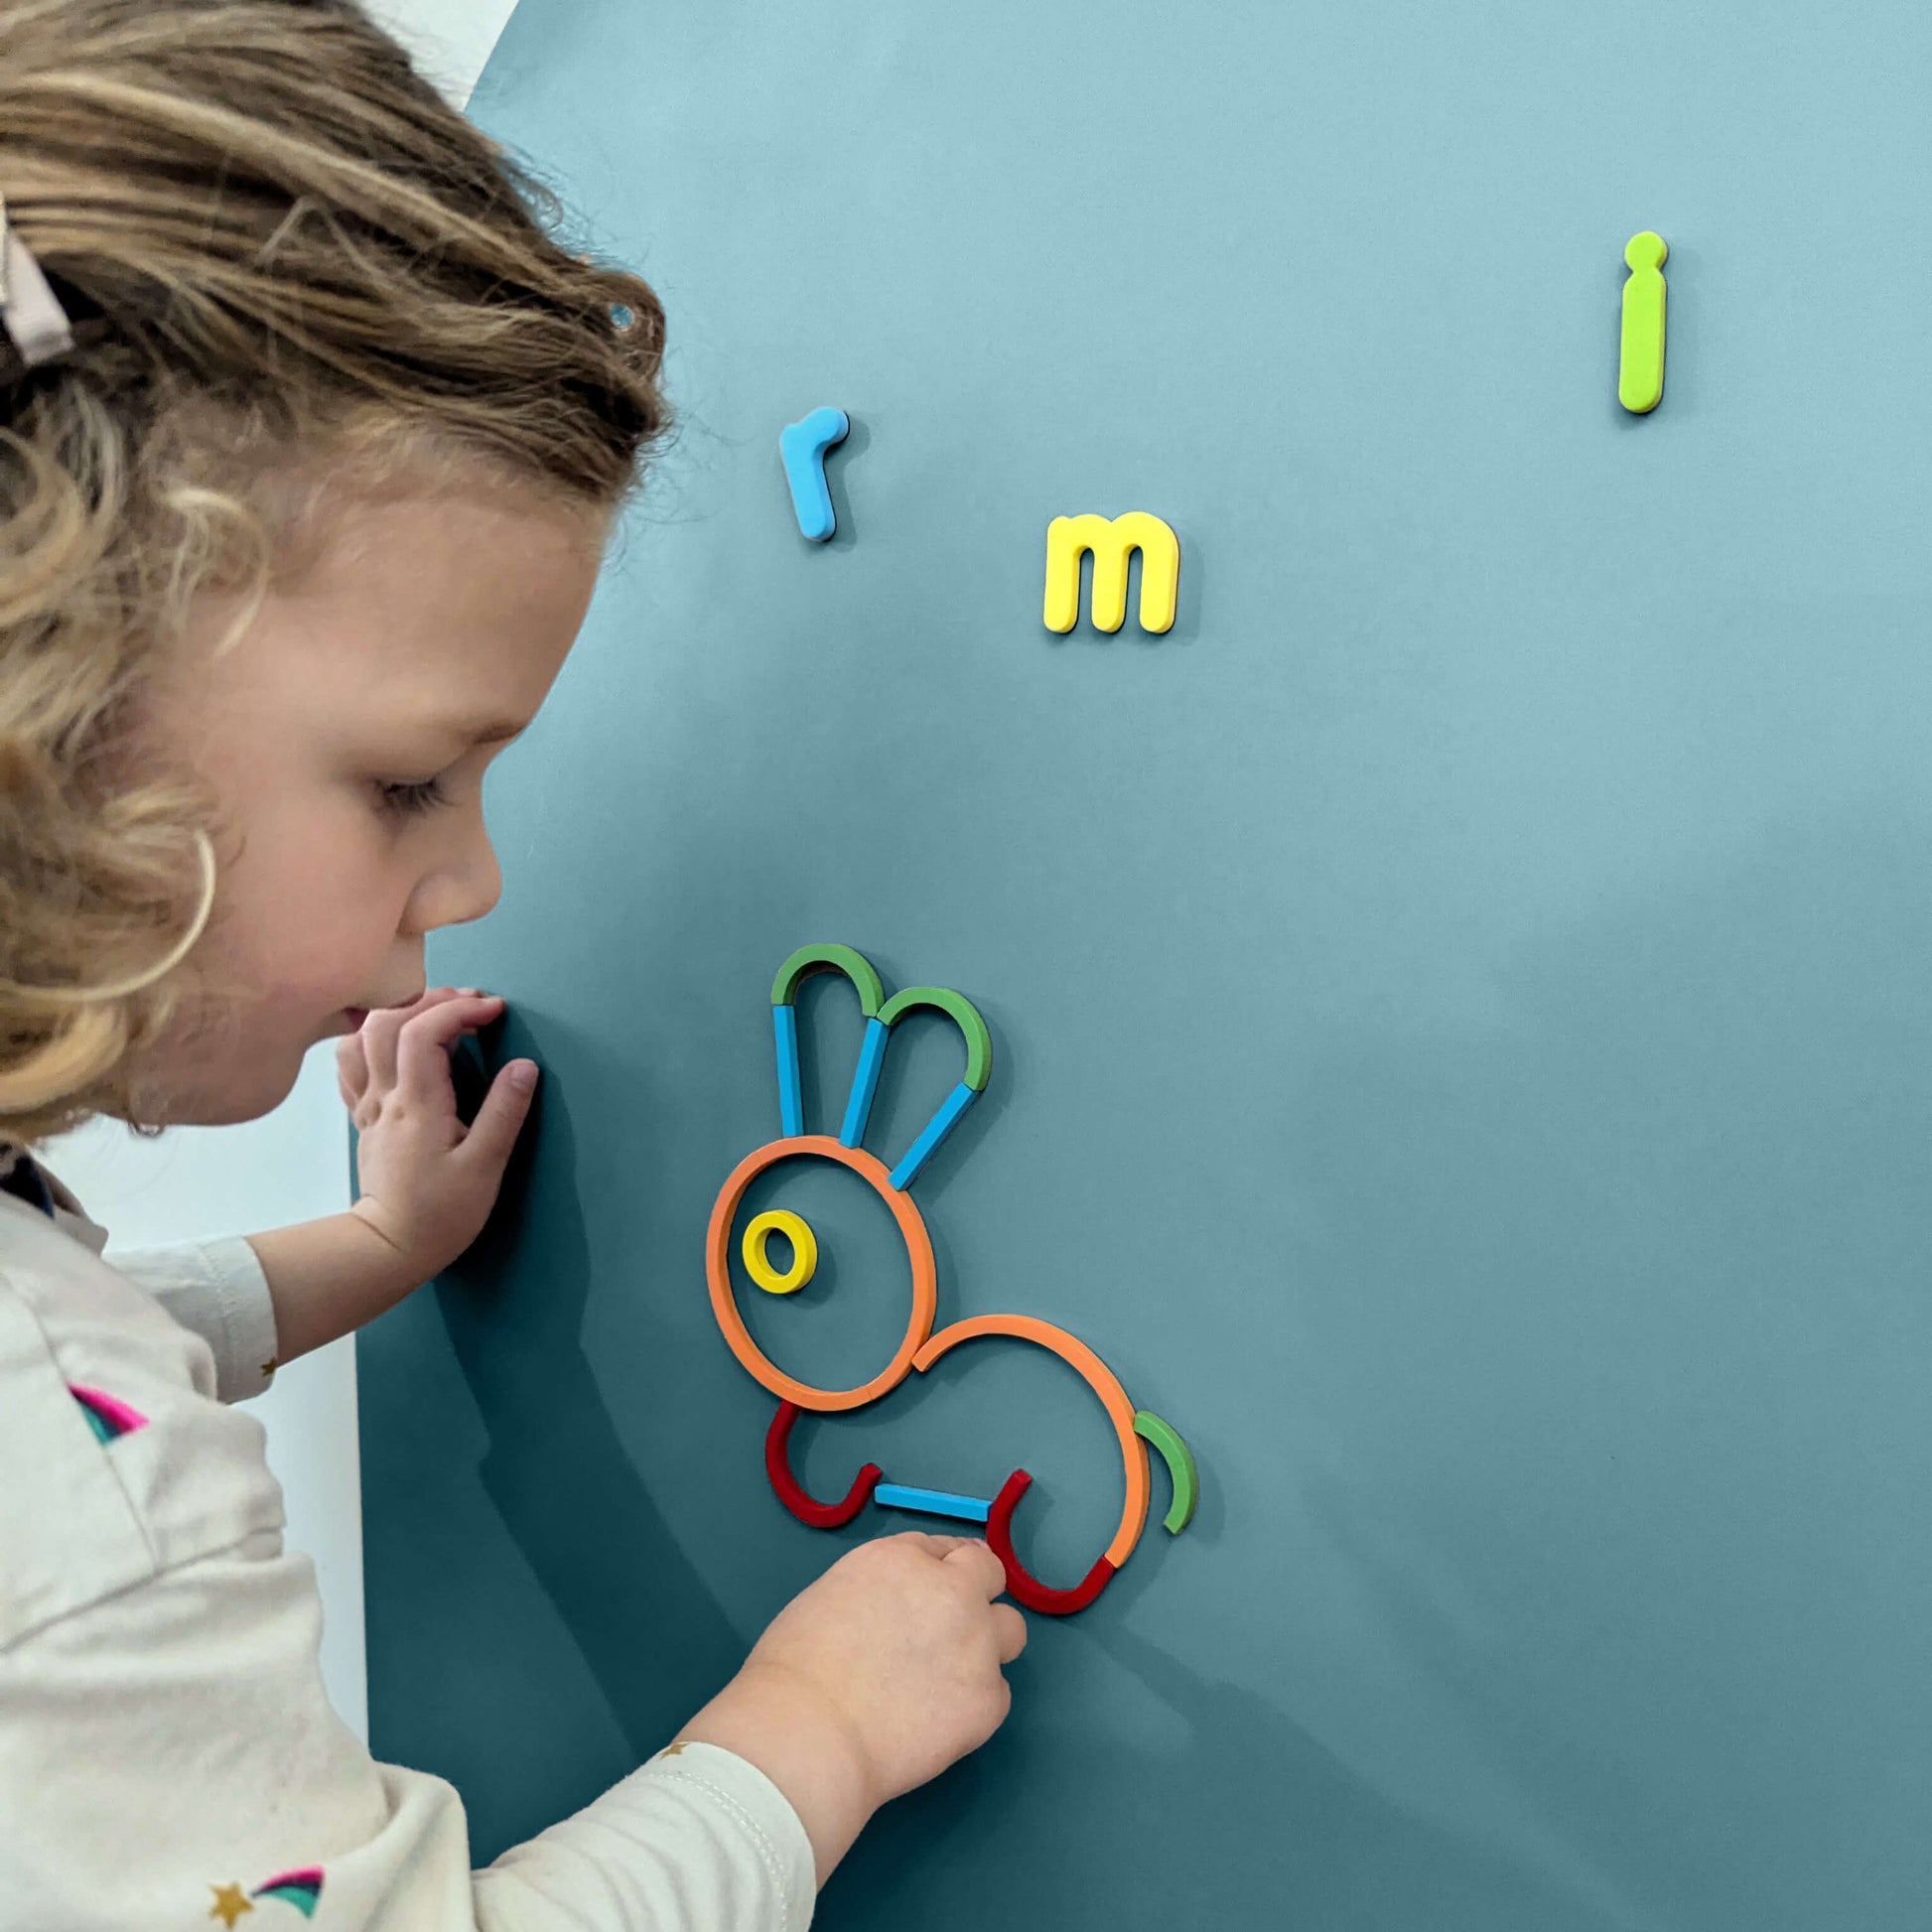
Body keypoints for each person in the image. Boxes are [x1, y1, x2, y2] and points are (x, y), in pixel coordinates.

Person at [0, 5, 1025, 1926]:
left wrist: (370, 1254)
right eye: (406, 782)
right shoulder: (77, 1507)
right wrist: (812, 1731)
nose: (468, 875)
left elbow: (92, 1358)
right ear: (39, 709)